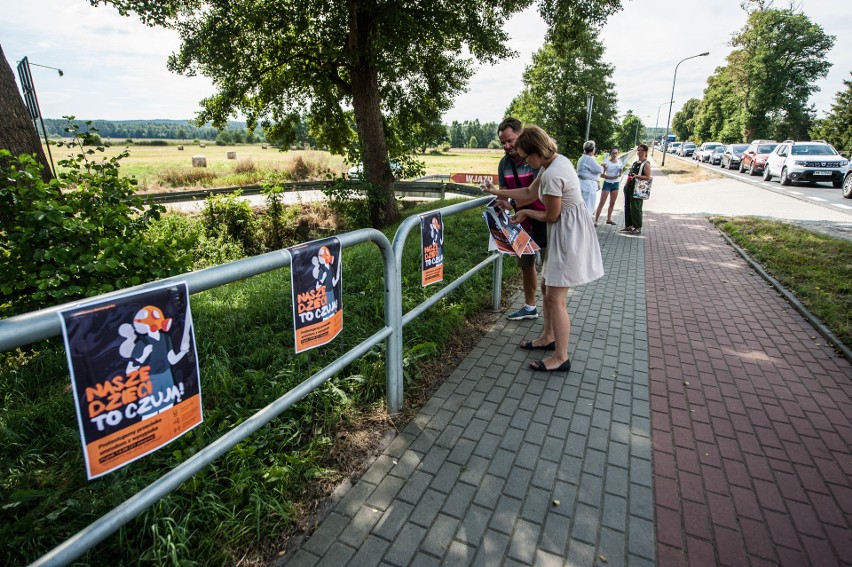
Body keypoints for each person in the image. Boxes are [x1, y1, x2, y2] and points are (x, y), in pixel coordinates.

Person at [501, 125, 604, 373]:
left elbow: (552, 215)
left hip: (568, 235)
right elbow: (528, 192)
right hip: (568, 230)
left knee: (555, 298)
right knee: (548, 288)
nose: (526, 161)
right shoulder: (556, 162)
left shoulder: (550, 174)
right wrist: (495, 191)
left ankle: (560, 356)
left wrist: (524, 211)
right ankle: (548, 336)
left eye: (527, 156)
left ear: (537, 151)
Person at [492, 117, 547, 320]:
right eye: (503, 143)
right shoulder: (504, 164)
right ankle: (530, 306)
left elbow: (533, 193)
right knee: (526, 265)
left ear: (521, 135)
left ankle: (552, 312)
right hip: (520, 223)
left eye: (510, 140)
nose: (507, 146)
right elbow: (504, 194)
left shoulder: (534, 159)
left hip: (543, 218)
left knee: (550, 268)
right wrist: (497, 203)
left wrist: (511, 203)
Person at [620, 144, 652, 235]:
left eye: (642, 150)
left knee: (636, 208)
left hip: (638, 189)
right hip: (630, 187)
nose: (639, 152)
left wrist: (637, 176)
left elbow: (647, 177)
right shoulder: (635, 162)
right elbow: (630, 175)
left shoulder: (646, 164)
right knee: (628, 207)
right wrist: (626, 186)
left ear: (645, 152)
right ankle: (629, 226)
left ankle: (637, 227)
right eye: (638, 150)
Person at [595, 147, 623, 226]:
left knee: (612, 203)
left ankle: (609, 219)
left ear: (618, 153)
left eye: (616, 153)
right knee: (602, 202)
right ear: (610, 154)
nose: (614, 155)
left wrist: (620, 173)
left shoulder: (619, 162)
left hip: (616, 184)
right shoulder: (606, 162)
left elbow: (621, 172)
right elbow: (601, 175)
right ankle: (596, 221)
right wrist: (610, 177)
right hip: (607, 183)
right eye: (613, 153)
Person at [576, 140, 603, 218]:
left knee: (583, 207)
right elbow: (599, 170)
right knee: (588, 207)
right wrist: (602, 167)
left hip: (583, 185)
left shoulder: (582, 158)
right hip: (588, 186)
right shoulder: (589, 158)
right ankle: (586, 226)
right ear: (593, 149)